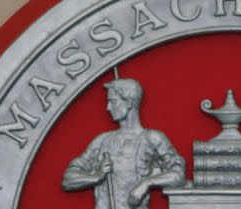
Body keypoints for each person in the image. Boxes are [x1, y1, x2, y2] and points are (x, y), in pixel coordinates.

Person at [62, 79, 186, 209]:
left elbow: (178, 175)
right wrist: (95, 177)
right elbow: (68, 180)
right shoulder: (102, 141)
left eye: (113, 101)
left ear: (129, 102)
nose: (108, 108)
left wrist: (146, 183)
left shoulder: (153, 138)